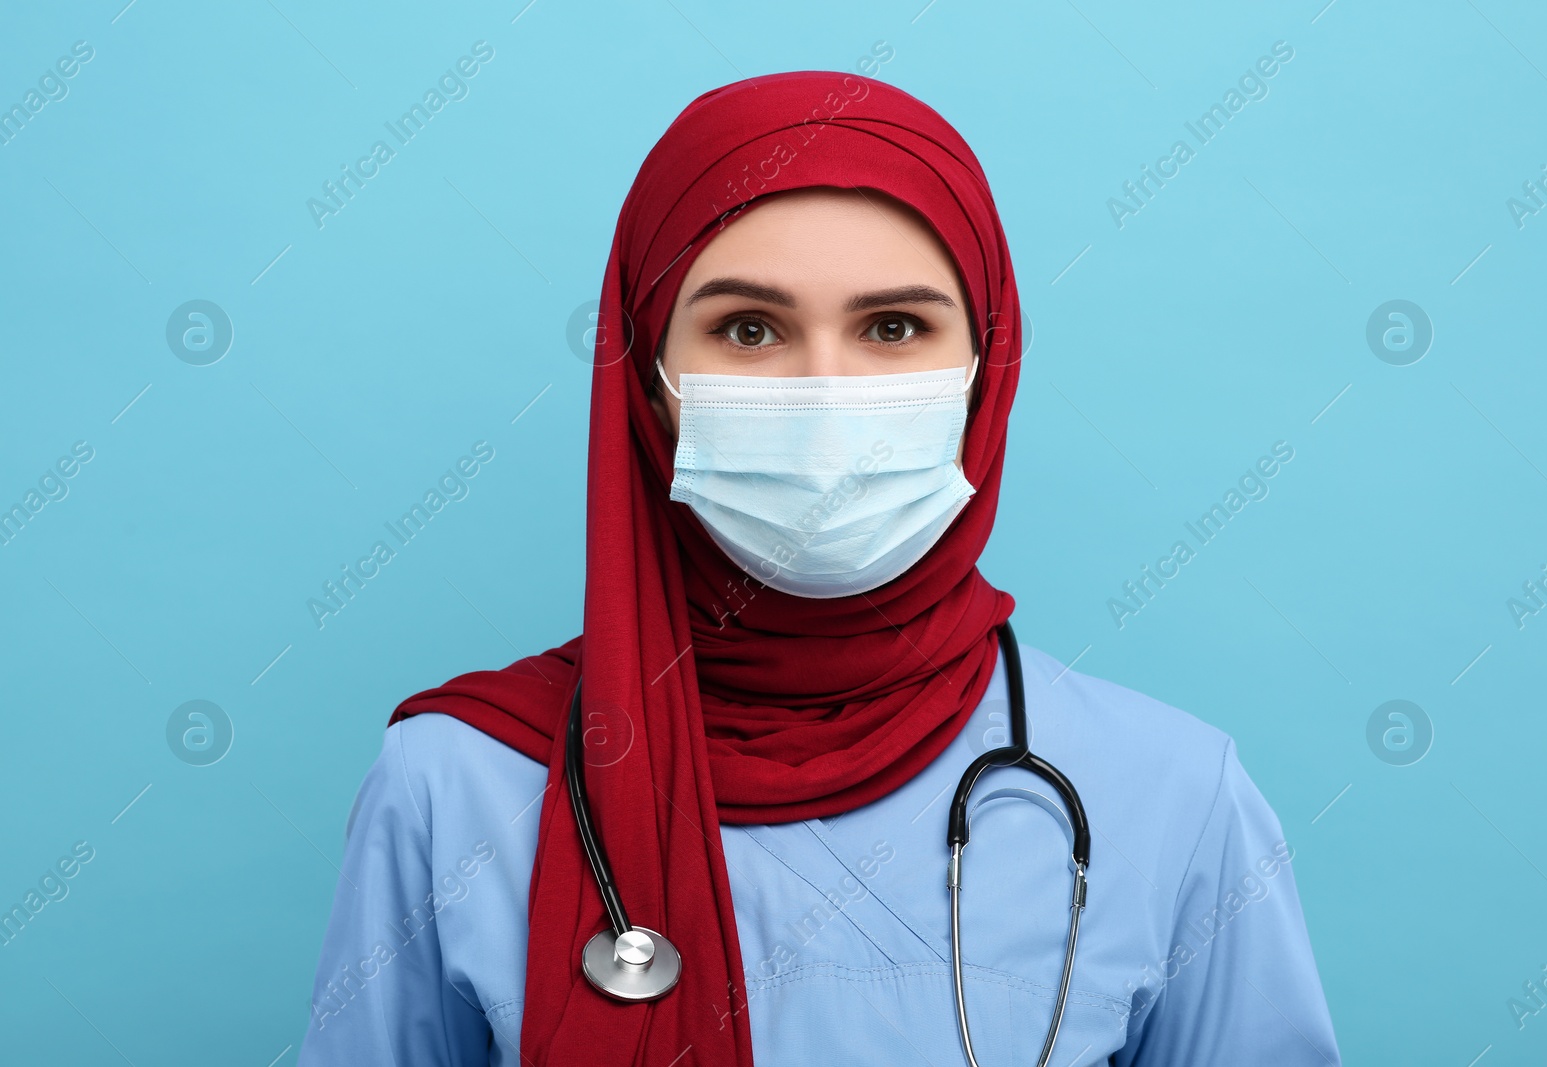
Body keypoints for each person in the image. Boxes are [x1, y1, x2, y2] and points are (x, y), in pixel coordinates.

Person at [297, 70, 1341, 1066]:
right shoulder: (458, 785)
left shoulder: (1175, 795)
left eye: (894, 327)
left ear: (987, 372)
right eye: (748, 329)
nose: (825, 391)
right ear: (648, 380)